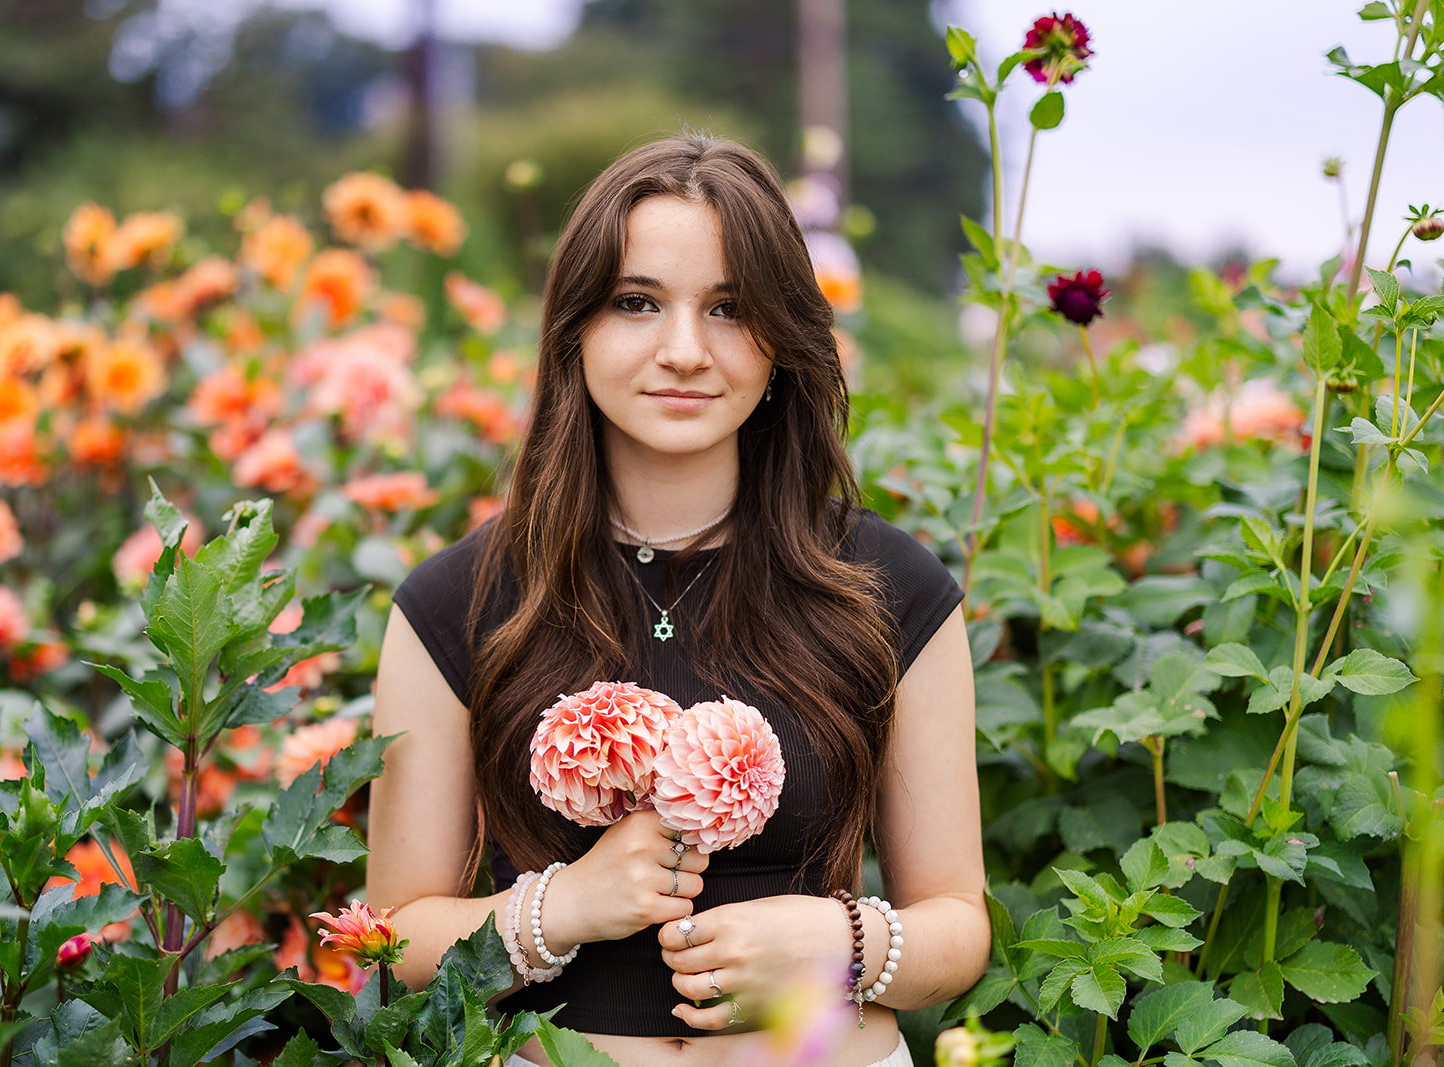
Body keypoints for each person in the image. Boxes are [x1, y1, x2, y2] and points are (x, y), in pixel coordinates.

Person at [366, 133, 987, 1067]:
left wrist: (842, 944)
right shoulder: (457, 600)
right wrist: (559, 908)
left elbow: (959, 924)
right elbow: (394, 940)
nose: (686, 350)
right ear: (576, 328)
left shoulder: (889, 586)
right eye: (638, 302)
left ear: (782, 339)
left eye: (730, 308)